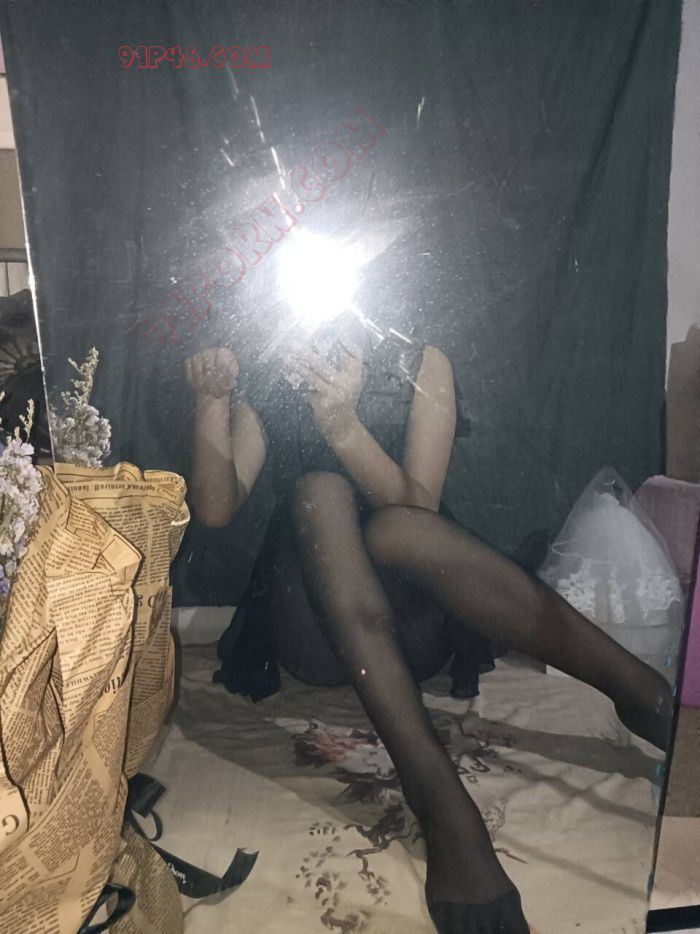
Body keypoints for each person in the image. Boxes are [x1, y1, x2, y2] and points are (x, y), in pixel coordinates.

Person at [185, 322, 672, 934]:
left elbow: (419, 507)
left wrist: (342, 427)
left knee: (395, 527)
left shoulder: (418, 362)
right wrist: (211, 399)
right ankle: (442, 806)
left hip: (411, 626)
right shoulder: (277, 363)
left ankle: (643, 692)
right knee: (319, 492)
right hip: (310, 628)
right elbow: (215, 508)